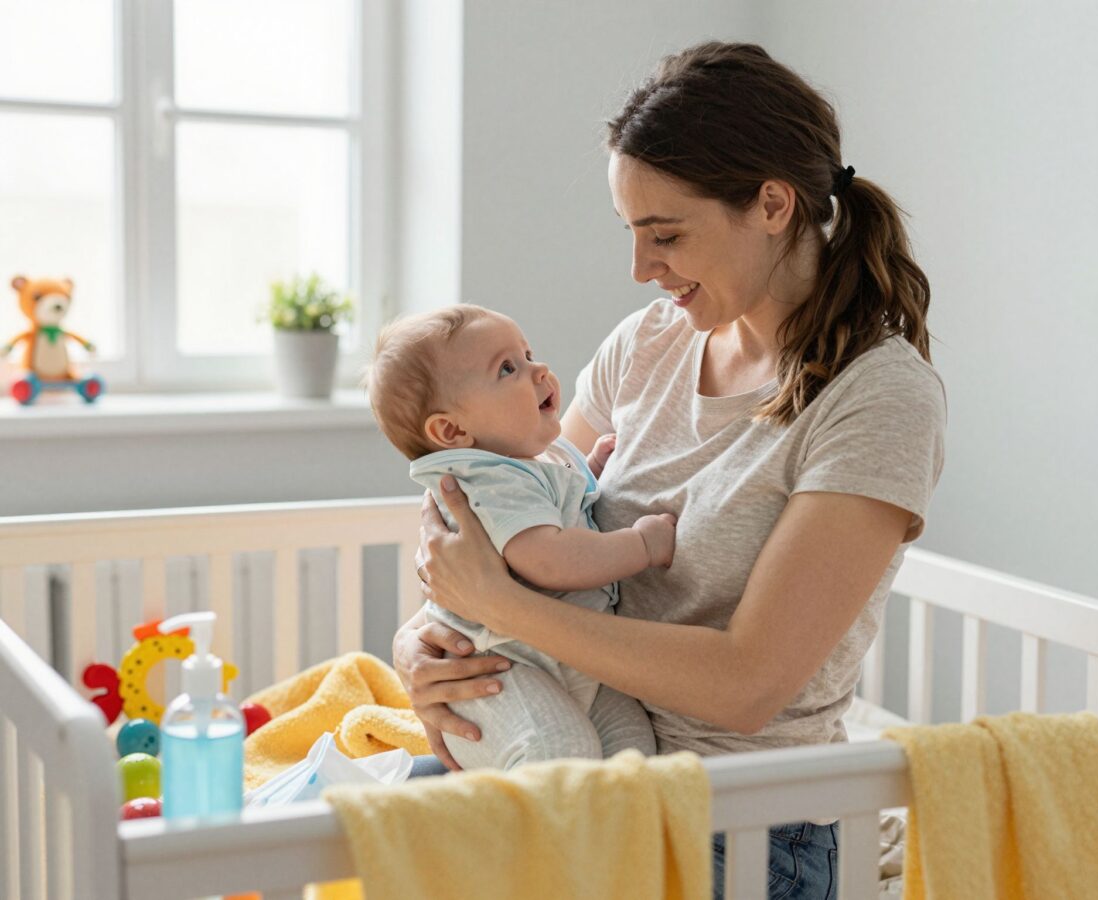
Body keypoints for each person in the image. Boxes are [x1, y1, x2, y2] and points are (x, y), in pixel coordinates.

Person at [393, 41, 946, 899]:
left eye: (667, 234)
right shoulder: (648, 344)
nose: (642, 269)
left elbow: (747, 685)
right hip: (590, 754)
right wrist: (424, 652)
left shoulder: (877, 399)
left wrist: (499, 607)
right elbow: (513, 518)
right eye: (632, 233)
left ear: (772, 204)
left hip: (743, 819)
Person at [365, 305, 669, 770]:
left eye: (528, 354)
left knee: (634, 759)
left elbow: (558, 508)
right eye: (508, 368)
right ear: (452, 430)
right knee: (557, 749)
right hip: (500, 668)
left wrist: (592, 473)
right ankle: (530, 842)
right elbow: (547, 558)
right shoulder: (487, 478)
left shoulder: (530, 459)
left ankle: (602, 839)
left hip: (566, 662)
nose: (538, 369)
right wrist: (641, 545)